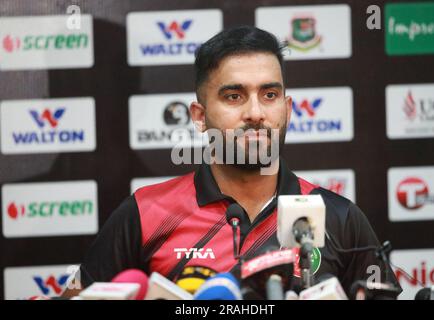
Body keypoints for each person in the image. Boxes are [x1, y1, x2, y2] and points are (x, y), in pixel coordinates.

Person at [63, 26, 401, 298]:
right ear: (199, 115)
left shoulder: (340, 217)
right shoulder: (144, 214)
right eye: (234, 96)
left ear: (288, 109)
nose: (255, 113)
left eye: (269, 95)